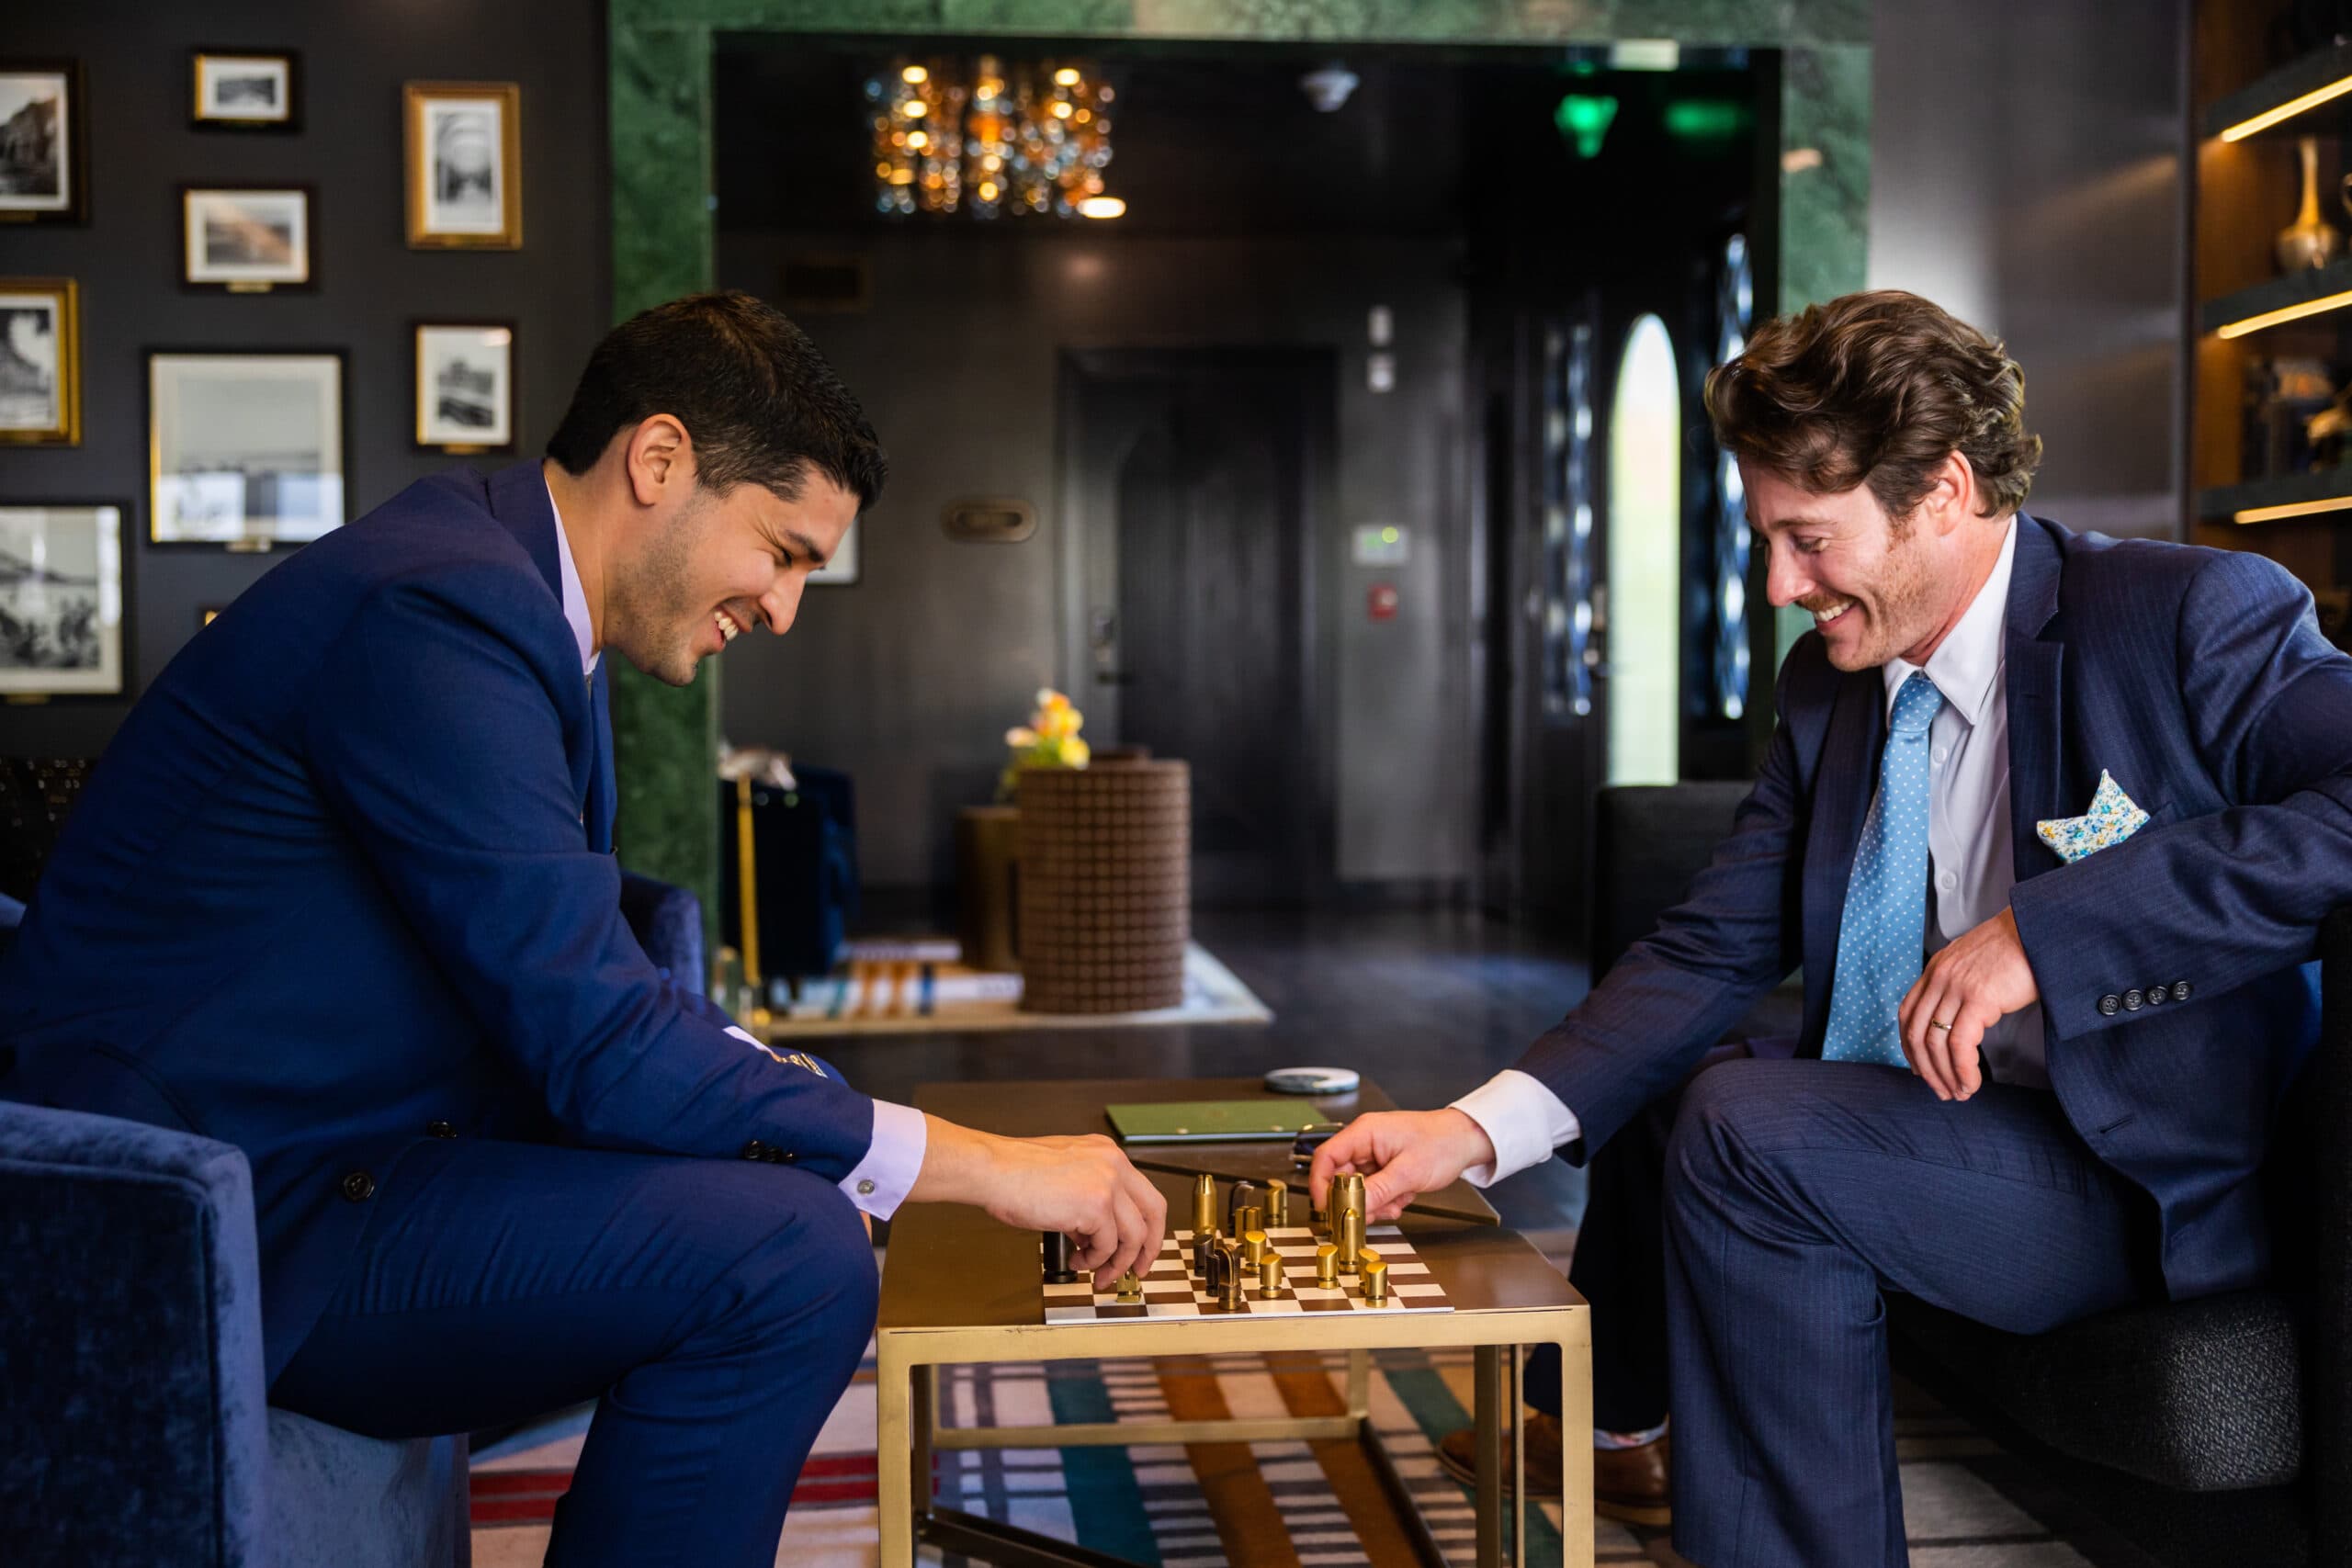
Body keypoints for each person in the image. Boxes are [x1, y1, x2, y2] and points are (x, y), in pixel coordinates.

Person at [0, 290, 1167, 1566]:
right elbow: (596, 1037)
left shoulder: (518, 604)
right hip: (212, 1226)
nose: (782, 609)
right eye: (782, 552)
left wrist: (804, 1109)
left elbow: (572, 970)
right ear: (659, 461)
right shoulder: (439, 609)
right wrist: (978, 1163)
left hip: (342, 1161)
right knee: (790, 1258)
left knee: (792, 1186)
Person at [1310, 289, 2352, 1568]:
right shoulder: (1833, 683)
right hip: (1945, 1119)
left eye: (1807, 539)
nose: (1776, 586)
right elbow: (1709, 946)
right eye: (1764, 541)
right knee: (1688, 1079)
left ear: (1946, 492)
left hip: (2134, 1180)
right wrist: (1474, 1129)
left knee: (1747, 1130)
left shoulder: (2187, 617)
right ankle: (1620, 1431)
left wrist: (2057, 930)